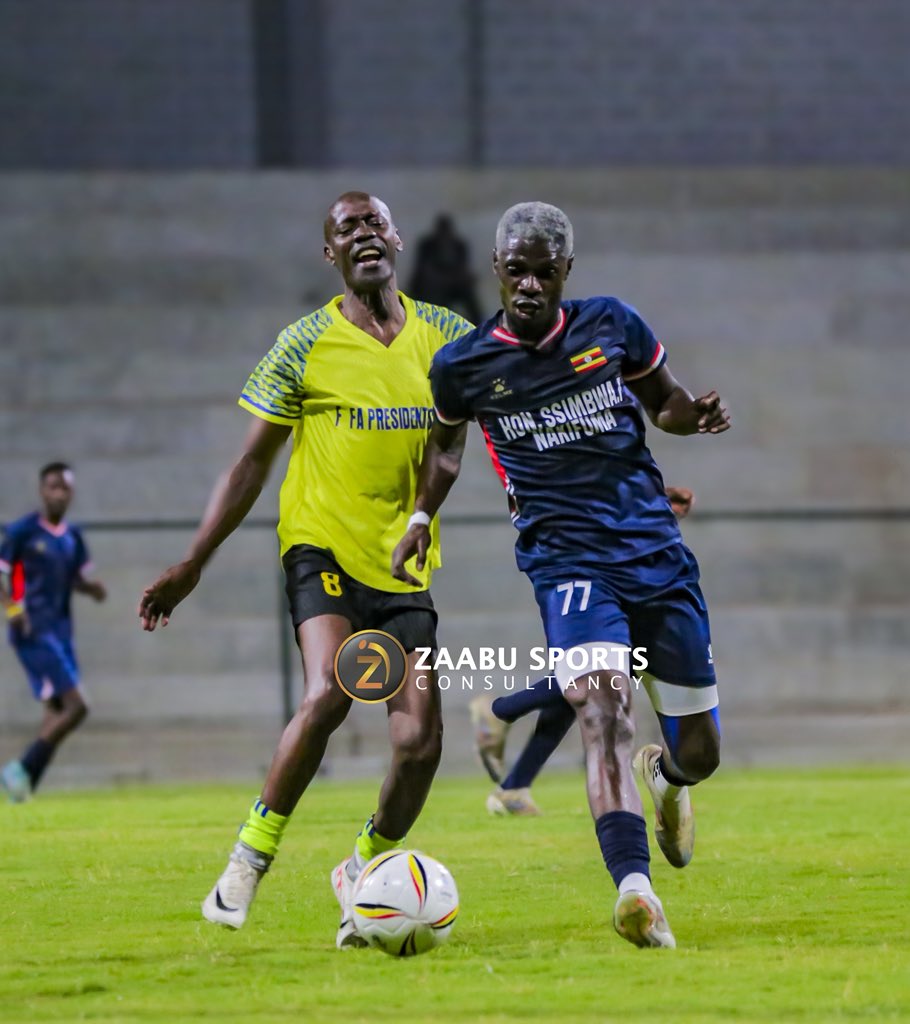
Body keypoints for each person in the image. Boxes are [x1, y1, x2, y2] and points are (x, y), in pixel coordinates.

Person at [392, 202, 730, 949]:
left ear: (566, 271)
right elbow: (445, 449)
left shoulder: (611, 324)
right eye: (518, 271)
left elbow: (663, 401)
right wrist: (420, 518)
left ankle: (668, 780)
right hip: (565, 560)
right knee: (602, 709)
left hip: (654, 553)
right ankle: (635, 891)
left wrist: (689, 415)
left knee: (701, 753)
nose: (532, 285)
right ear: (497, 271)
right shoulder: (465, 364)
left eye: (546, 271)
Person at [137, 192, 471, 946]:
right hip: (319, 546)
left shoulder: (447, 338)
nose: (364, 235)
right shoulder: (303, 343)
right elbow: (251, 464)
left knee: (419, 745)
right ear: (331, 253)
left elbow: (503, 418)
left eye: (375, 222)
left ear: (396, 236)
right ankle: (249, 858)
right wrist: (194, 561)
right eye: (346, 227)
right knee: (329, 692)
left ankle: (363, 868)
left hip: (402, 561)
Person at [471, 487, 695, 817]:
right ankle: (500, 711)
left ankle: (513, 786)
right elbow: (585, 476)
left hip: (590, 557)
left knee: (583, 685)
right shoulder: (537, 451)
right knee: (604, 670)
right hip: (584, 565)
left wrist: (654, 504)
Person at [0, 463, 106, 801]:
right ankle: (20, 769)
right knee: (78, 707)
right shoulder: (22, 532)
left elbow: (73, 577)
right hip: (33, 629)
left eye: (64, 487)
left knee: (56, 709)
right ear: (42, 491)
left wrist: (90, 589)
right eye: (52, 486)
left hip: (61, 632)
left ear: (71, 493)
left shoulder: (72, 538)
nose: (58, 493)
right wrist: (12, 608)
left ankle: (25, 786)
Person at [408, 213, 482, 324]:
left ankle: (479, 326)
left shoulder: (459, 246)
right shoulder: (427, 245)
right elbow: (422, 270)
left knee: (469, 294)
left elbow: (463, 269)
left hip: (453, 283)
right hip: (432, 285)